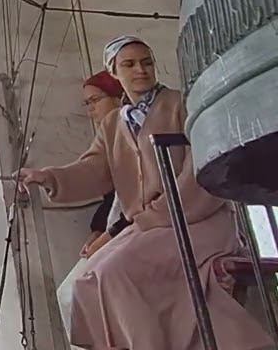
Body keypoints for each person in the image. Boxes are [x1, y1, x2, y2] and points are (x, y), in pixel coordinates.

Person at [20, 36, 271, 350]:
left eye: (146, 62)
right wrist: (48, 177)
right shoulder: (113, 124)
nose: (140, 70)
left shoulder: (184, 105)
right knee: (86, 283)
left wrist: (155, 215)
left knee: (116, 272)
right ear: (114, 72)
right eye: (129, 64)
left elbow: (200, 173)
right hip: (149, 226)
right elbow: (93, 169)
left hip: (197, 221)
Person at [54, 70, 128, 347]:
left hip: (139, 227)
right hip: (116, 227)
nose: (91, 110)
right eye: (88, 103)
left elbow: (138, 196)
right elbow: (109, 195)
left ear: (118, 98)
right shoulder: (109, 136)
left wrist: (107, 235)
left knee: (80, 291)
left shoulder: (133, 128)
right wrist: (98, 231)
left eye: (95, 100)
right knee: (70, 293)